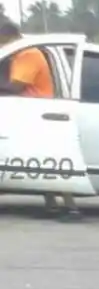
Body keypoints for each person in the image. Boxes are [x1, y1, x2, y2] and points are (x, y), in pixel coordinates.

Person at [0, 19, 79, 218]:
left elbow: (16, 87)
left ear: (9, 37)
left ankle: (71, 208)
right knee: (42, 162)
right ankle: (52, 206)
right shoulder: (21, 55)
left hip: (38, 112)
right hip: (31, 111)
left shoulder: (28, 54)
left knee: (52, 162)